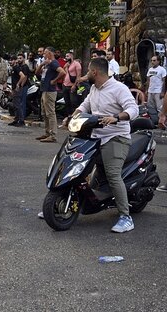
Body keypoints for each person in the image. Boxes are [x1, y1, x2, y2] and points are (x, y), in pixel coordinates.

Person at [66, 57, 138, 232]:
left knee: (113, 175)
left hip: (116, 136)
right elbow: (85, 105)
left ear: (95, 72)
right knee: (77, 167)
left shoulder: (119, 88)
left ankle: (125, 217)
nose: (86, 74)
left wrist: (116, 118)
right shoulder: (94, 88)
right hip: (95, 136)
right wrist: (72, 116)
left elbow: (133, 109)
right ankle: (65, 204)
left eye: (88, 71)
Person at [35, 47, 66, 143]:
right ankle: (47, 132)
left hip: (50, 90)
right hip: (44, 89)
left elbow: (62, 72)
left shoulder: (53, 63)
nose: (43, 55)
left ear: (50, 53)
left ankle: (53, 134)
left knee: (50, 113)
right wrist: (42, 64)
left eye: (45, 53)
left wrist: (54, 81)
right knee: (44, 113)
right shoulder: (47, 64)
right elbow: (37, 73)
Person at [60, 51, 82, 128]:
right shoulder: (67, 65)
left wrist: (74, 85)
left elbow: (78, 76)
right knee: (67, 103)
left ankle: (75, 119)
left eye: (68, 56)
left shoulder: (76, 64)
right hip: (65, 85)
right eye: (66, 56)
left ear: (72, 56)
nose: (66, 57)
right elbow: (64, 73)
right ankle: (68, 119)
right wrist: (65, 67)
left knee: (73, 102)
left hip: (72, 86)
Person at [9, 53, 30, 127]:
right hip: (15, 88)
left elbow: (24, 76)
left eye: (12, 60)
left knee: (18, 104)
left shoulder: (18, 68)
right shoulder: (16, 67)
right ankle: (16, 119)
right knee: (15, 104)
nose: (10, 62)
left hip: (19, 88)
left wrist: (19, 85)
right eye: (10, 60)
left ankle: (21, 120)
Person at [145, 55, 166, 124]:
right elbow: (148, 80)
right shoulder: (150, 70)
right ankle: (154, 121)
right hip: (150, 91)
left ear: (158, 61)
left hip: (158, 91)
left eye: (154, 60)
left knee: (159, 107)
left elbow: (164, 81)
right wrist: (146, 90)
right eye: (151, 60)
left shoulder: (162, 70)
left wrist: (163, 92)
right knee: (150, 107)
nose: (152, 62)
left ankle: (161, 121)